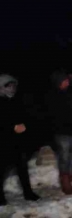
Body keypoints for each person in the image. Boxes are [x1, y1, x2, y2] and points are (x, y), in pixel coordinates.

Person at [0, 75, 39, 205]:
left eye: (13, 86)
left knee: (22, 168)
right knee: (2, 169)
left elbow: (26, 116)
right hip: (3, 142)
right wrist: (12, 127)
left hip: (18, 141)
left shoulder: (17, 101)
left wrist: (25, 125)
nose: (12, 88)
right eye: (8, 86)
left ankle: (28, 193)